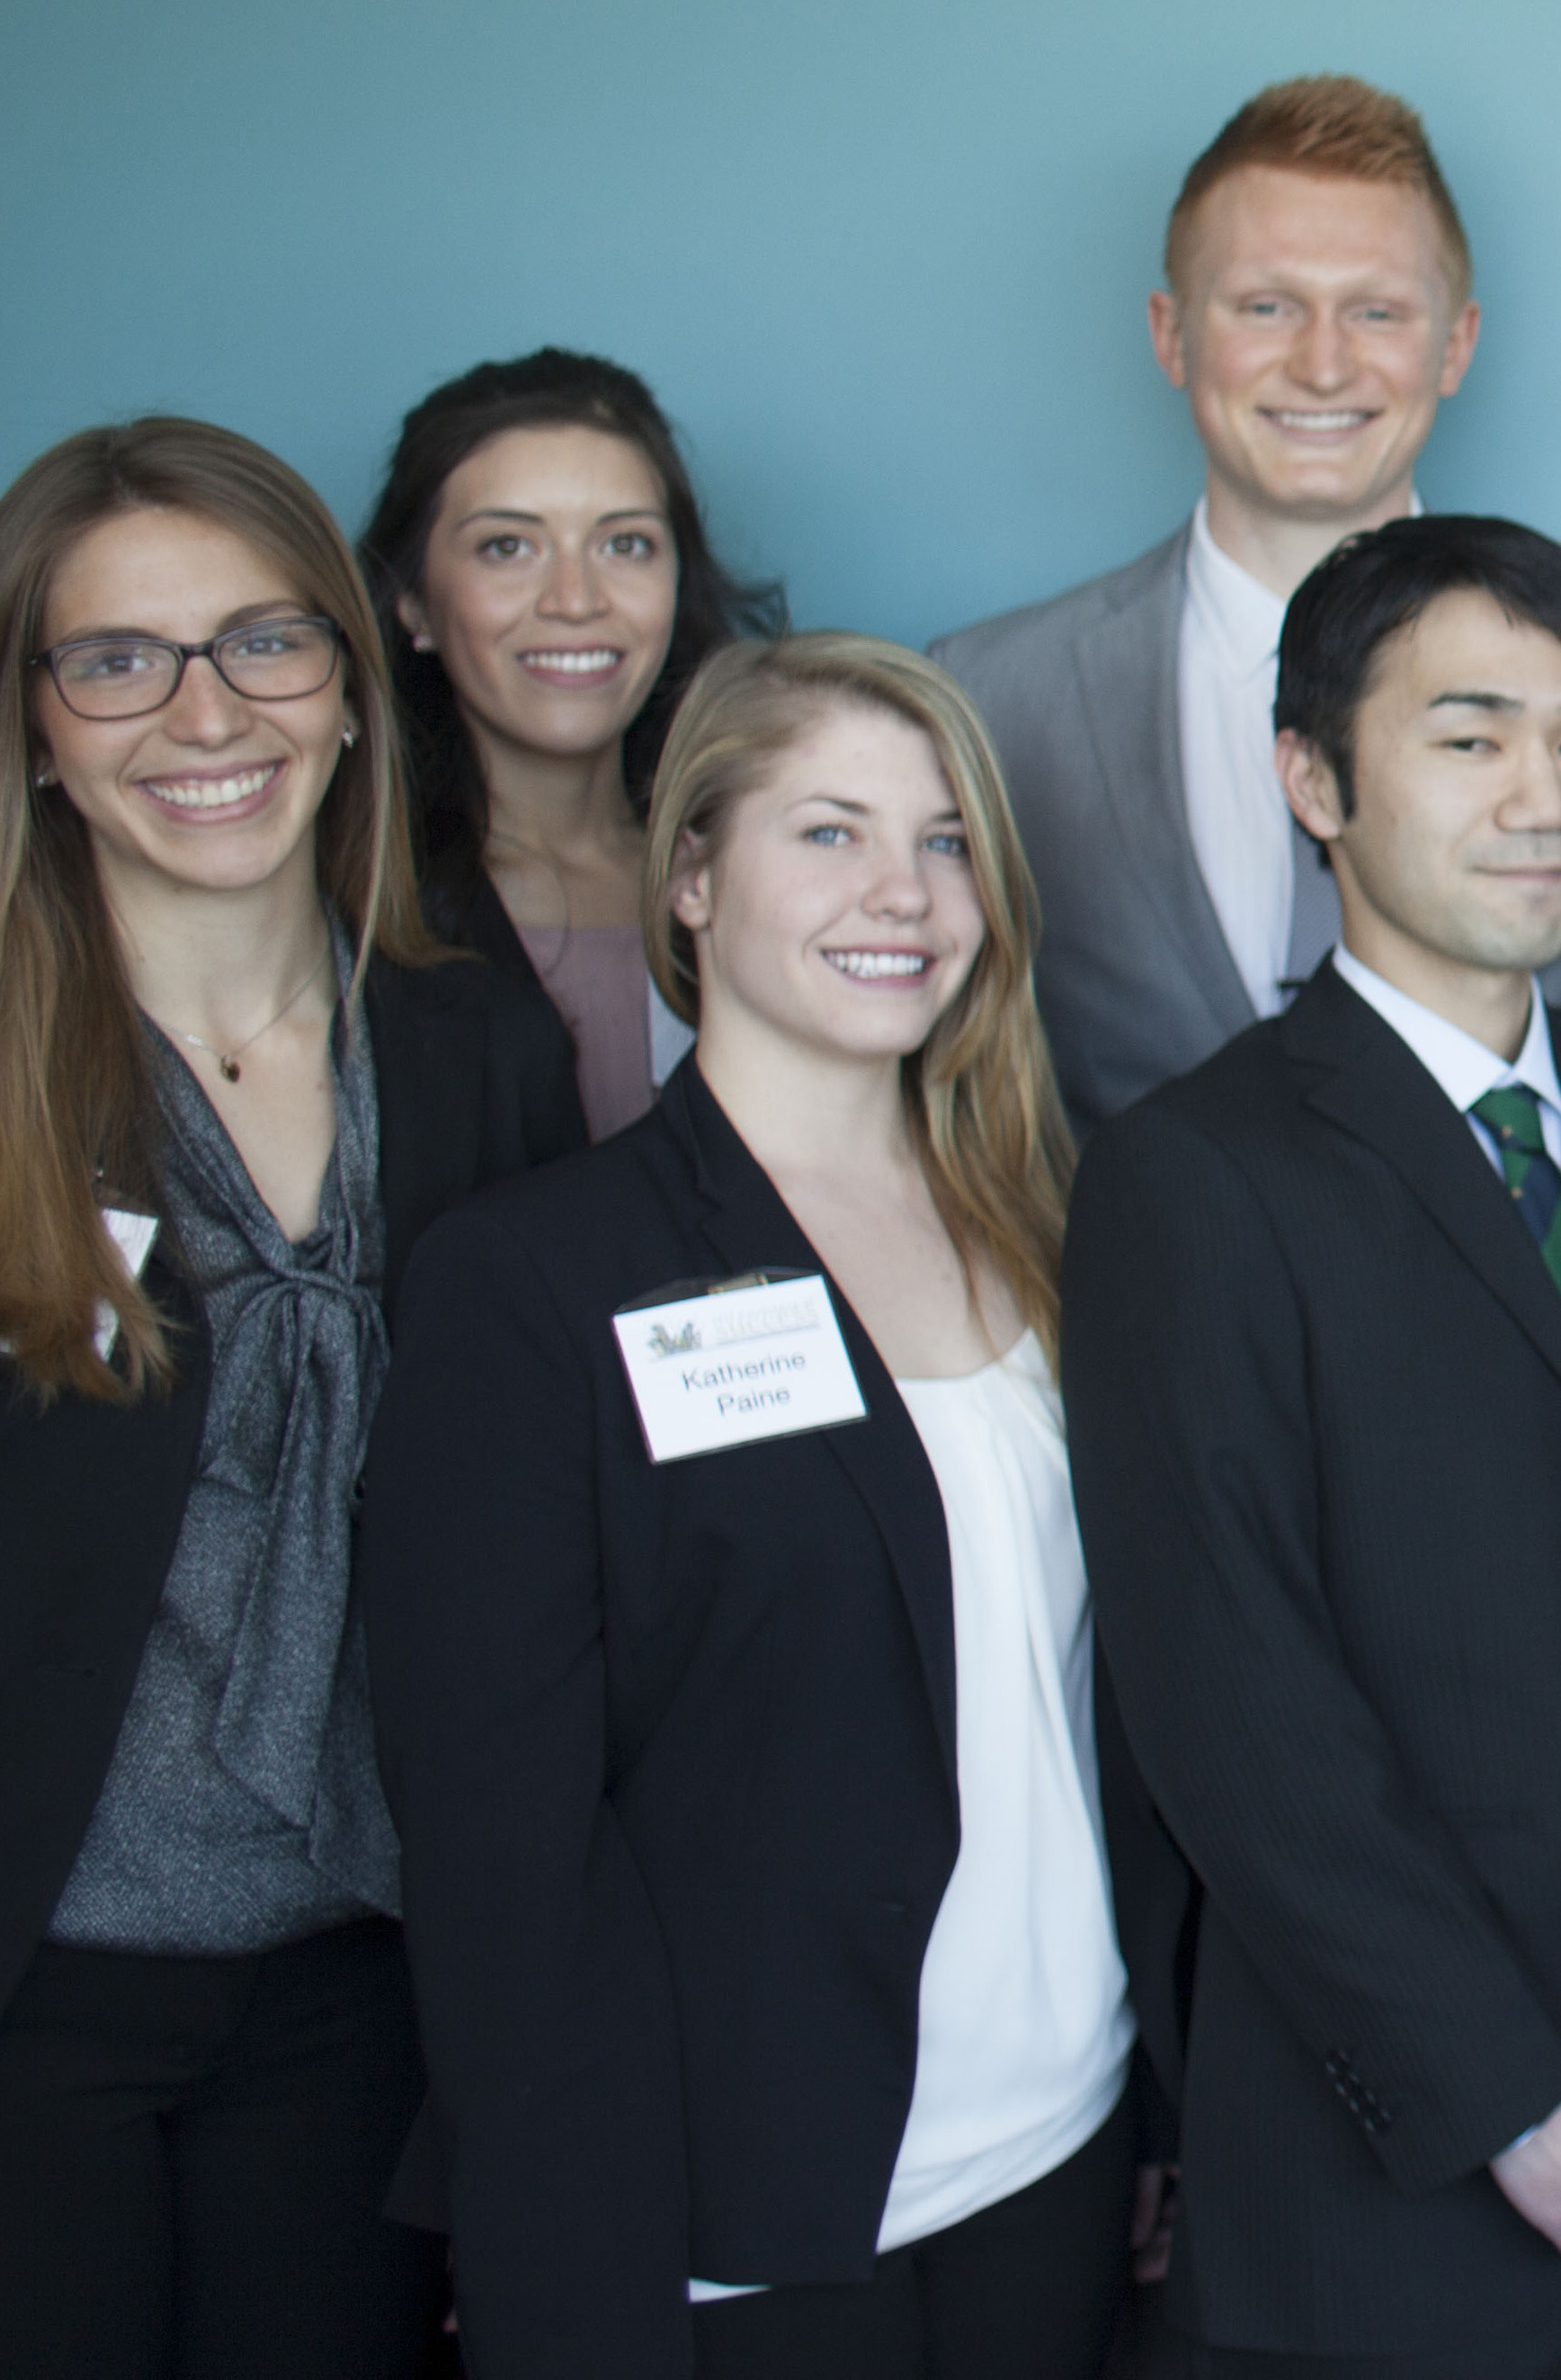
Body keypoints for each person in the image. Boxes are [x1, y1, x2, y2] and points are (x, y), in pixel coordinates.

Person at [1065, 514, 1561, 2375]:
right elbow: (1231, 1705)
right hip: (1391, 2175)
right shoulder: (1196, 1174)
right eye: (1469, 735)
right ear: (1313, 779)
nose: (1543, 795)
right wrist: (1504, 2087)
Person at [0, 419, 584, 2376]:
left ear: (351, 687)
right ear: (31, 726)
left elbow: (541, 1579)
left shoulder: (474, 1044)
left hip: (363, 2013)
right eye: (119, 659)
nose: (207, 713)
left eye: (265, 641)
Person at [368, 634, 1131, 2377]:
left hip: (1060, 2140)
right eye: (830, 831)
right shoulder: (535, 1277)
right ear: (691, 875)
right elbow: (501, 1859)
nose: (903, 891)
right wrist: (563, 2265)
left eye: (945, 838)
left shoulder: (1055, 1226)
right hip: (741, 2203)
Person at [936, 75, 1561, 1128]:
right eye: (1266, 306)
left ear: (1455, 345)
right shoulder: (990, 693)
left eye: (1376, 311)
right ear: (1171, 334)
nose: (1323, 364)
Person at [359, 347, 789, 1137]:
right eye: (507, 546)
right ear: (413, 602)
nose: (576, 600)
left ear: (678, 583)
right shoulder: (353, 904)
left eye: (624, 544)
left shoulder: (765, 866)